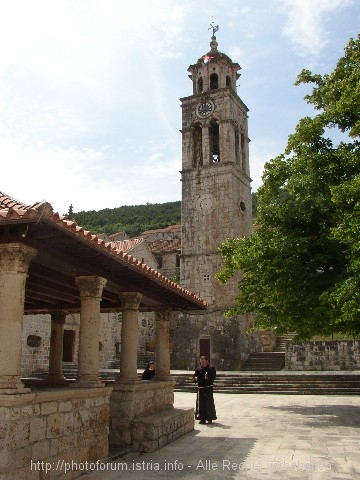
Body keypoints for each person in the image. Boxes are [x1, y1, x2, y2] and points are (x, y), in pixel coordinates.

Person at [193, 355, 217, 424]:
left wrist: (208, 378)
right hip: (200, 389)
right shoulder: (198, 369)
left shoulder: (211, 368)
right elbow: (195, 376)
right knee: (201, 404)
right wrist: (195, 378)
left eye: (203, 362)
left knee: (208, 403)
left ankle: (209, 418)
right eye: (201, 362)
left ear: (207, 361)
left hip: (208, 388)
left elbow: (213, 377)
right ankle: (202, 418)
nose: (202, 364)